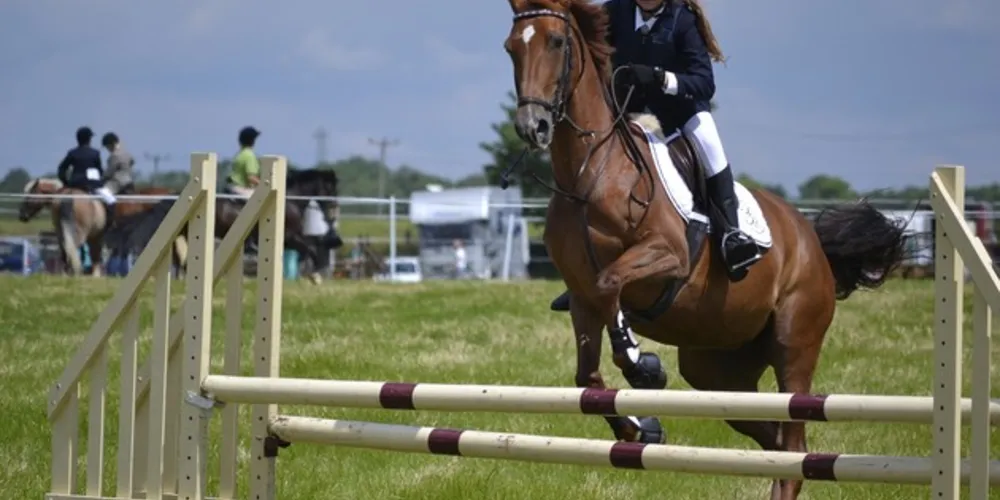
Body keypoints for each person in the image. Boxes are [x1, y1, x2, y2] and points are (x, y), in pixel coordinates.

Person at [549, 0, 759, 312]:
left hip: (679, 116)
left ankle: (732, 235)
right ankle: (585, 280)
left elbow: (704, 83)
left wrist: (662, 79)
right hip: (627, 114)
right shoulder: (615, 11)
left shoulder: (682, 21)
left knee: (711, 148)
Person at [56, 126, 116, 226]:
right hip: (92, 185)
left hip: (75, 184)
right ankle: (111, 223)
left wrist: (66, 183)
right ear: (89, 139)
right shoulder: (95, 153)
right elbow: (99, 171)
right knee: (111, 200)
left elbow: (61, 169)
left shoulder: (72, 153)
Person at [225, 126, 261, 198]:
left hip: (231, 187)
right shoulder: (250, 155)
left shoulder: (239, 154)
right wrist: (265, 186)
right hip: (241, 189)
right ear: (253, 140)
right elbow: (251, 177)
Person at [100, 132, 136, 196]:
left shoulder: (114, 156)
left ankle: (110, 205)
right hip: (130, 181)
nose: (107, 149)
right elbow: (132, 162)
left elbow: (109, 173)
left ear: (111, 145)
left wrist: (101, 178)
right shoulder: (127, 153)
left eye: (107, 146)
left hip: (118, 184)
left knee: (100, 193)